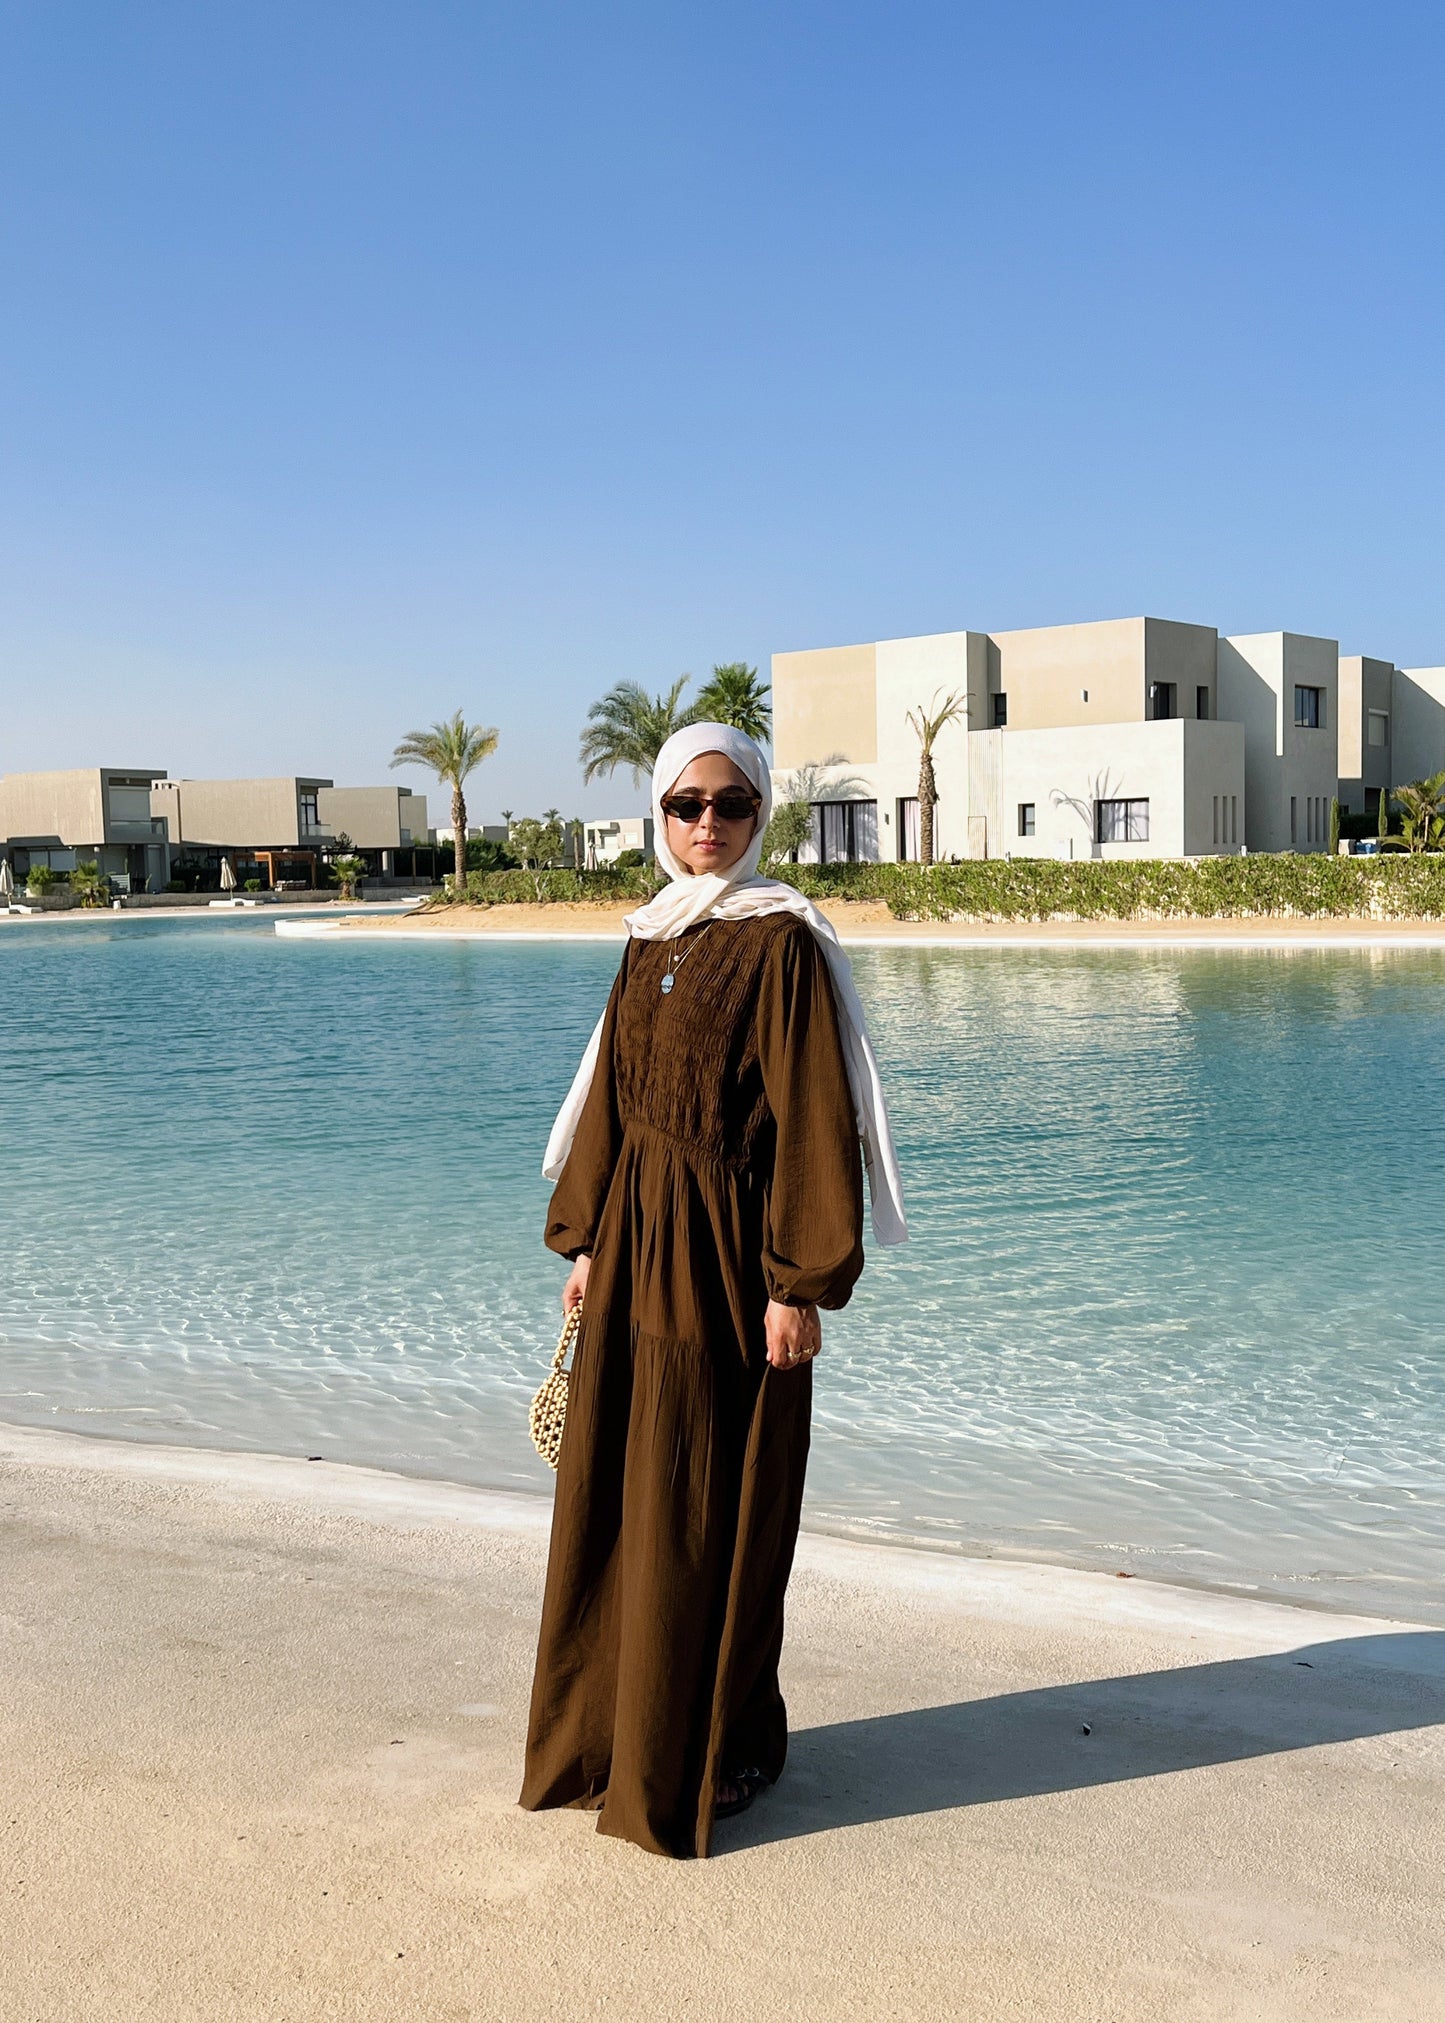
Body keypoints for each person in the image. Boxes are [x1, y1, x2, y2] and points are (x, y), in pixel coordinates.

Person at [518, 724, 907, 1859]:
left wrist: (798, 1283)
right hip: (634, 1249)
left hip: (730, 1264)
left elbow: (812, 1114)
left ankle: (712, 1745)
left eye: (730, 804)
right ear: (659, 812)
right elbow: (612, 1100)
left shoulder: (781, 941)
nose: (706, 825)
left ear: (759, 814)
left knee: (711, 1502)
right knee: (620, 1491)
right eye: (685, 804)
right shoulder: (650, 934)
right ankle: (608, 1737)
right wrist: (584, 1242)